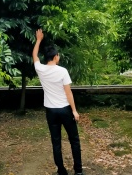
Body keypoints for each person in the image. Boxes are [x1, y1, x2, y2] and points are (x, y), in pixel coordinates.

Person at [32, 29, 84, 175]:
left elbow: (34, 55)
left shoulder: (40, 69)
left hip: (51, 111)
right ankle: (78, 171)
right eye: (58, 55)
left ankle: (61, 171)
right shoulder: (62, 71)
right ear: (55, 57)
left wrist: (38, 40)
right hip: (65, 110)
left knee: (56, 142)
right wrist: (74, 110)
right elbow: (68, 92)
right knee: (74, 140)